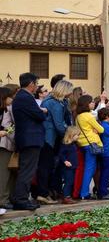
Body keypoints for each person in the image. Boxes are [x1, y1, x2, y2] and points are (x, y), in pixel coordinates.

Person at [11, 73, 48, 210]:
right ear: (31, 84)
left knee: (27, 170)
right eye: (36, 83)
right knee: (27, 171)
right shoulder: (25, 97)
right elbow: (39, 115)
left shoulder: (22, 97)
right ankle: (21, 199)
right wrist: (43, 111)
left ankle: (20, 198)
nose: (37, 86)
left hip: (28, 138)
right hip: (30, 139)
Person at [35, 80, 73, 204]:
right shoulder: (55, 103)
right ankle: (43, 194)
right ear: (64, 90)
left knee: (46, 167)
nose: (71, 92)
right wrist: (69, 135)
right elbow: (59, 125)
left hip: (47, 137)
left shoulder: (54, 101)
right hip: (49, 139)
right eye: (70, 90)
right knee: (46, 167)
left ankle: (46, 193)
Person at [75, 95, 104, 200]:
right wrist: (95, 129)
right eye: (91, 102)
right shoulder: (88, 116)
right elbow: (101, 129)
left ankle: (82, 191)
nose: (93, 103)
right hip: (92, 143)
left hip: (83, 143)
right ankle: (84, 193)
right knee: (89, 169)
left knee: (88, 168)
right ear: (86, 104)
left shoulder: (78, 116)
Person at [0, 87, 17, 210]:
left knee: (8, 172)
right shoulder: (5, 110)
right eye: (10, 96)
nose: (12, 98)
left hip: (6, 143)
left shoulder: (6, 109)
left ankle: (6, 197)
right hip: (4, 143)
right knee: (4, 173)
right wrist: (15, 139)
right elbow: (7, 127)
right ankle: (3, 199)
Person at [59, 126, 80, 204]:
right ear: (72, 134)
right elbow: (61, 154)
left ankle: (68, 196)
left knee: (71, 181)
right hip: (68, 167)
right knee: (68, 181)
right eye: (77, 135)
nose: (78, 136)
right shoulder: (66, 144)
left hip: (73, 166)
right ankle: (66, 197)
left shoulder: (73, 144)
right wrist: (65, 161)